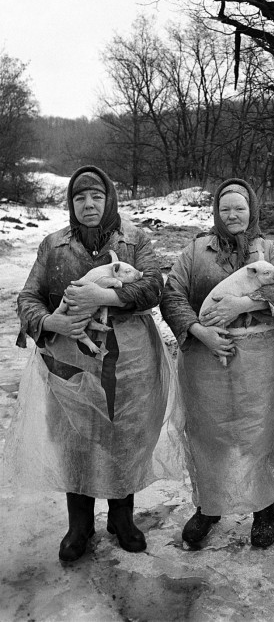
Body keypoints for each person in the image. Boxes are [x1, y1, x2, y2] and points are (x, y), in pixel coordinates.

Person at [4, 166, 174, 563]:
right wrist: (51, 321)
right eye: (80, 197)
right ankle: (79, 524)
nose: (89, 204)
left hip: (128, 356)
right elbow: (28, 297)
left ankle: (121, 516)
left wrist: (107, 297)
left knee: (125, 434)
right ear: (71, 203)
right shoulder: (53, 245)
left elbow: (153, 286)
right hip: (70, 358)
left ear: (109, 198)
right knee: (73, 437)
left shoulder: (133, 240)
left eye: (96, 196)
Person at [160, 178, 274, 548]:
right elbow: (171, 296)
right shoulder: (194, 251)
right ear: (216, 213)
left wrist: (245, 304)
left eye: (240, 207)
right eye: (226, 209)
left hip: (261, 357)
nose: (233, 214)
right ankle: (210, 505)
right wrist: (198, 331)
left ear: (251, 209)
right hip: (206, 357)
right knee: (210, 432)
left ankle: (263, 510)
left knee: (261, 430)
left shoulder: (270, 249)